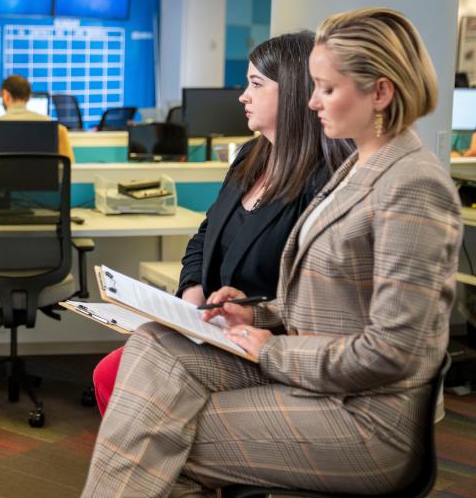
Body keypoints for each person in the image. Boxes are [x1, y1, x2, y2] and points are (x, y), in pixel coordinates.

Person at [82, 7, 461, 497]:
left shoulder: (411, 185)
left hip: (366, 418)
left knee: (150, 430)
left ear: (381, 92)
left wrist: (273, 349)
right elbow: (332, 296)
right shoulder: (360, 168)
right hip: (322, 378)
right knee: (155, 344)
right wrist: (254, 315)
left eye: (326, 89)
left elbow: (392, 351)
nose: (313, 102)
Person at [92, 31, 352, 413]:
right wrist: (192, 290)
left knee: (124, 376)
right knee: (112, 372)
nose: (243, 96)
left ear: (294, 93)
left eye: (255, 84)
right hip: (211, 327)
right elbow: (204, 237)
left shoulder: (324, 182)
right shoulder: (251, 156)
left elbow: (316, 302)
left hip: (266, 344)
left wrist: (246, 316)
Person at [0, 74, 75, 161]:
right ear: (29, 96)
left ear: (6, 95)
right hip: (44, 175)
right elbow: (69, 166)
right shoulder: (57, 129)